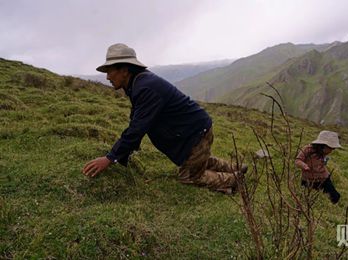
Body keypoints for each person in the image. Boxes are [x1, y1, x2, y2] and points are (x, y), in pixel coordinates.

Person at [82, 43, 246, 194]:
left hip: (195, 133)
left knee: (189, 177)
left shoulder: (145, 87)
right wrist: (121, 154)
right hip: (194, 130)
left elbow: (137, 128)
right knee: (194, 160)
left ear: (124, 70)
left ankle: (236, 179)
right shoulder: (138, 83)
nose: (107, 77)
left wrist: (110, 158)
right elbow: (137, 122)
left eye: (110, 71)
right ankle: (236, 167)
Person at [295, 130, 341, 204]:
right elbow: (297, 160)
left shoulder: (323, 153)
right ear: (323, 145)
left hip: (324, 179)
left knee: (335, 197)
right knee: (306, 200)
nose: (332, 151)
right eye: (331, 148)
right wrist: (304, 166)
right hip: (308, 180)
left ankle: (332, 209)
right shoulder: (308, 149)